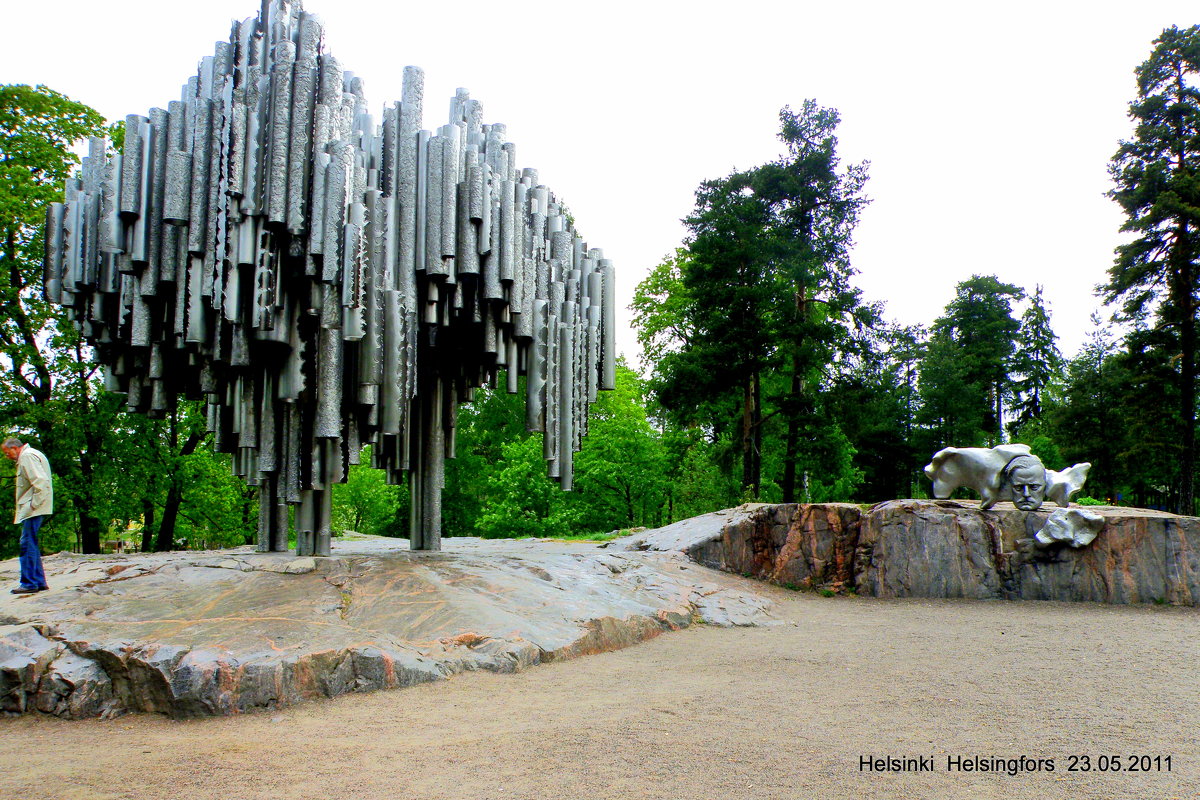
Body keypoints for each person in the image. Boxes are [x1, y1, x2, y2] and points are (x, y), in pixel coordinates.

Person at [3, 437, 53, 594]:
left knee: (27, 543)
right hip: (35, 506)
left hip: (33, 507)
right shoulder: (32, 454)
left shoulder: (27, 456)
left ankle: (29, 583)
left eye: (7, 452)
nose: (7, 456)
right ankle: (38, 581)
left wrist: (33, 505)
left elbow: (41, 481)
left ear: (15, 448)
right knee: (31, 542)